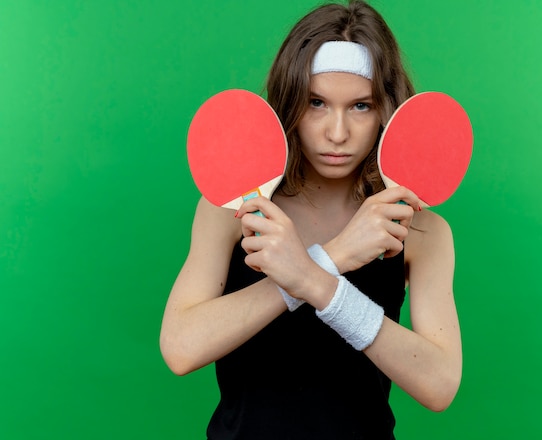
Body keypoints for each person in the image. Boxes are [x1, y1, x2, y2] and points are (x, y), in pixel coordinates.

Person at [160, 1, 462, 438]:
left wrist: (315, 280)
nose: (337, 133)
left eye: (361, 106)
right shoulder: (233, 209)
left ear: (386, 112)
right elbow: (180, 348)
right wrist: (333, 257)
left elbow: (439, 386)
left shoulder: (420, 230)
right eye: (316, 102)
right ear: (289, 103)